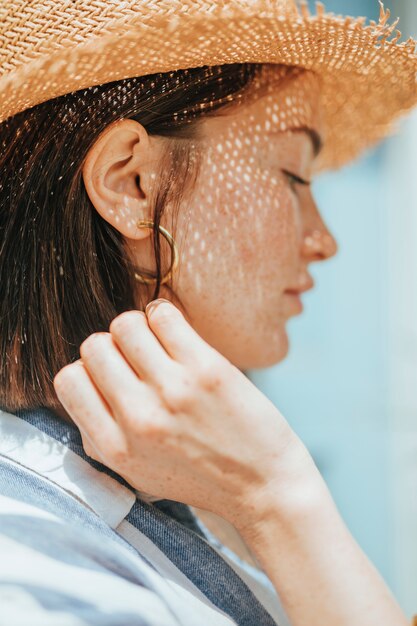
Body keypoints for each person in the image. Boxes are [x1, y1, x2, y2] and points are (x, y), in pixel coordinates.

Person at [0, 1, 416, 625]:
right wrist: (278, 499)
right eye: (294, 176)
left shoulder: (160, 486)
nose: (324, 239)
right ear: (129, 183)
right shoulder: (37, 569)